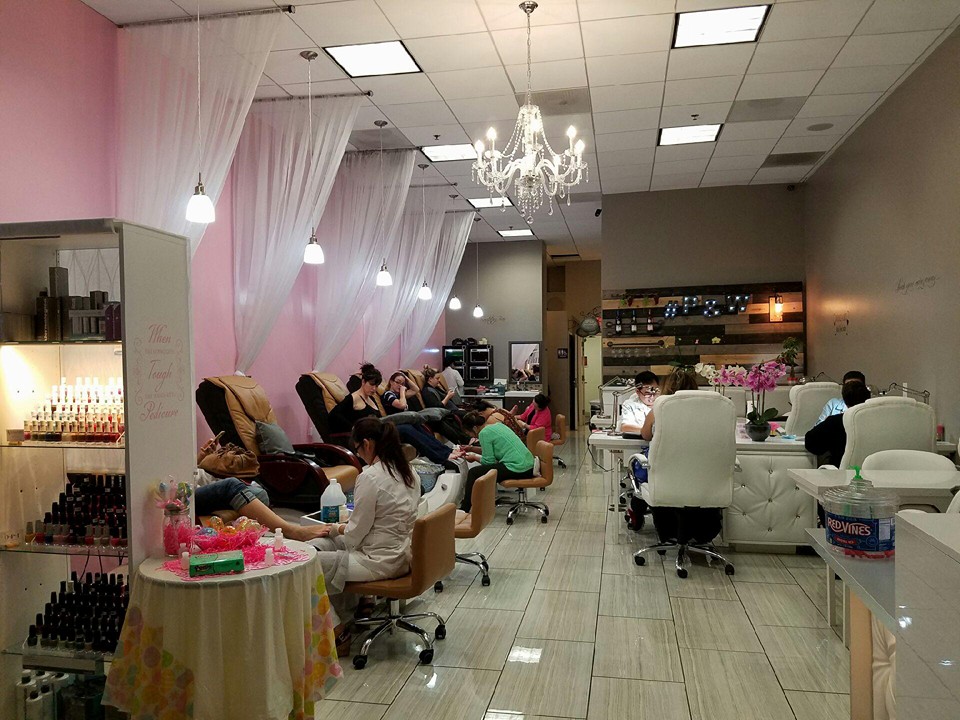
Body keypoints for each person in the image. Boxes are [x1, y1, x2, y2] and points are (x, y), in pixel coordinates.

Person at [309, 418, 421, 650]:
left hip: (379, 561)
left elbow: (353, 536)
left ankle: (338, 631)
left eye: (358, 449)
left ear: (367, 444)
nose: (359, 455)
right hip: (404, 555)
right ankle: (362, 603)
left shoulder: (370, 477)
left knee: (305, 568)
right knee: (326, 544)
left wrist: (338, 528)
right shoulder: (408, 471)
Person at [194, 438, 328, 542]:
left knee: (259, 493)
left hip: (199, 480)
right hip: (186, 494)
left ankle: (249, 542)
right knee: (231, 484)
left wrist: (201, 457)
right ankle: (292, 531)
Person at [330, 363, 455, 469]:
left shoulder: (370, 398)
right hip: (370, 435)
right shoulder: (353, 398)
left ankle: (447, 452)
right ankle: (441, 459)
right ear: (363, 382)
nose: (374, 389)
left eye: (376, 386)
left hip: (380, 431)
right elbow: (333, 415)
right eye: (371, 385)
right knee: (406, 429)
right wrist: (353, 427)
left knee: (415, 424)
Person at [455, 411, 534, 513]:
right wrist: (471, 449)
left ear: (474, 428)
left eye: (468, 433)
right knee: (481, 471)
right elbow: (491, 451)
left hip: (518, 468)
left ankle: (465, 509)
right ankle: (472, 504)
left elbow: (489, 461)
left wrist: (474, 457)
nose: (470, 436)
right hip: (528, 464)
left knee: (473, 472)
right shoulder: (498, 426)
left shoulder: (484, 433)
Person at [805, 380, 872, 466]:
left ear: (844, 400)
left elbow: (811, 443)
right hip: (876, 470)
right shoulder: (877, 421)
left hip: (840, 471)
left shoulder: (835, 422)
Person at [639, 368, 698, 441]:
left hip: (666, 448)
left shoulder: (656, 412)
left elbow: (645, 436)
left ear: (665, 389)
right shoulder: (702, 412)